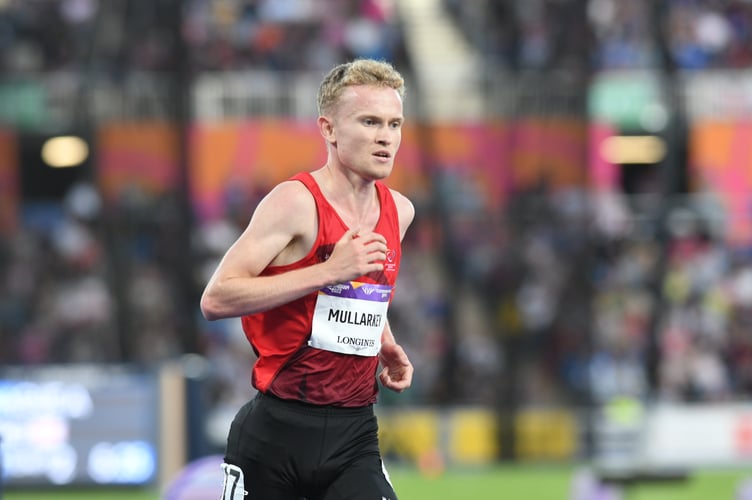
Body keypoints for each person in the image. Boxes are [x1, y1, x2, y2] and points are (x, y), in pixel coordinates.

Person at [200, 58, 415, 500]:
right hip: (275, 433)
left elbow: (360, 294)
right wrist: (327, 271)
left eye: (394, 124)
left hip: (354, 432)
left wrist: (384, 340)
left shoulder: (401, 211)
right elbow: (216, 299)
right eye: (370, 121)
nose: (385, 137)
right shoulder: (294, 203)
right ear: (329, 129)